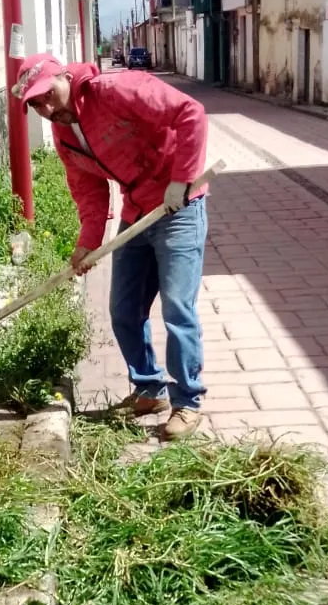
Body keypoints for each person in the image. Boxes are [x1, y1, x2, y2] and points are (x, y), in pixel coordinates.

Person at [12, 53, 209, 441]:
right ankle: (150, 389)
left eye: (48, 93)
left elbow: (191, 113)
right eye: (35, 103)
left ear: (65, 77)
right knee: (123, 309)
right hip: (137, 213)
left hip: (178, 208)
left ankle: (187, 402)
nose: (46, 107)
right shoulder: (64, 136)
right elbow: (89, 190)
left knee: (176, 309)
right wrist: (87, 244)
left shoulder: (116, 90)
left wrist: (182, 179)